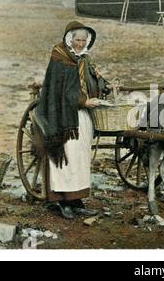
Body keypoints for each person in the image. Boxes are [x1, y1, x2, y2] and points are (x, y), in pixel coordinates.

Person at [35, 21, 109, 219]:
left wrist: (105, 85)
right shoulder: (60, 58)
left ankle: (76, 199)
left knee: (80, 158)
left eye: (84, 40)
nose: (80, 43)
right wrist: (84, 101)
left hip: (81, 118)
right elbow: (59, 92)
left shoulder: (84, 59)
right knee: (66, 156)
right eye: (77, 40)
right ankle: (61, 199)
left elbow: (92, 81)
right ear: (69, 38)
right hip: (61, 118)